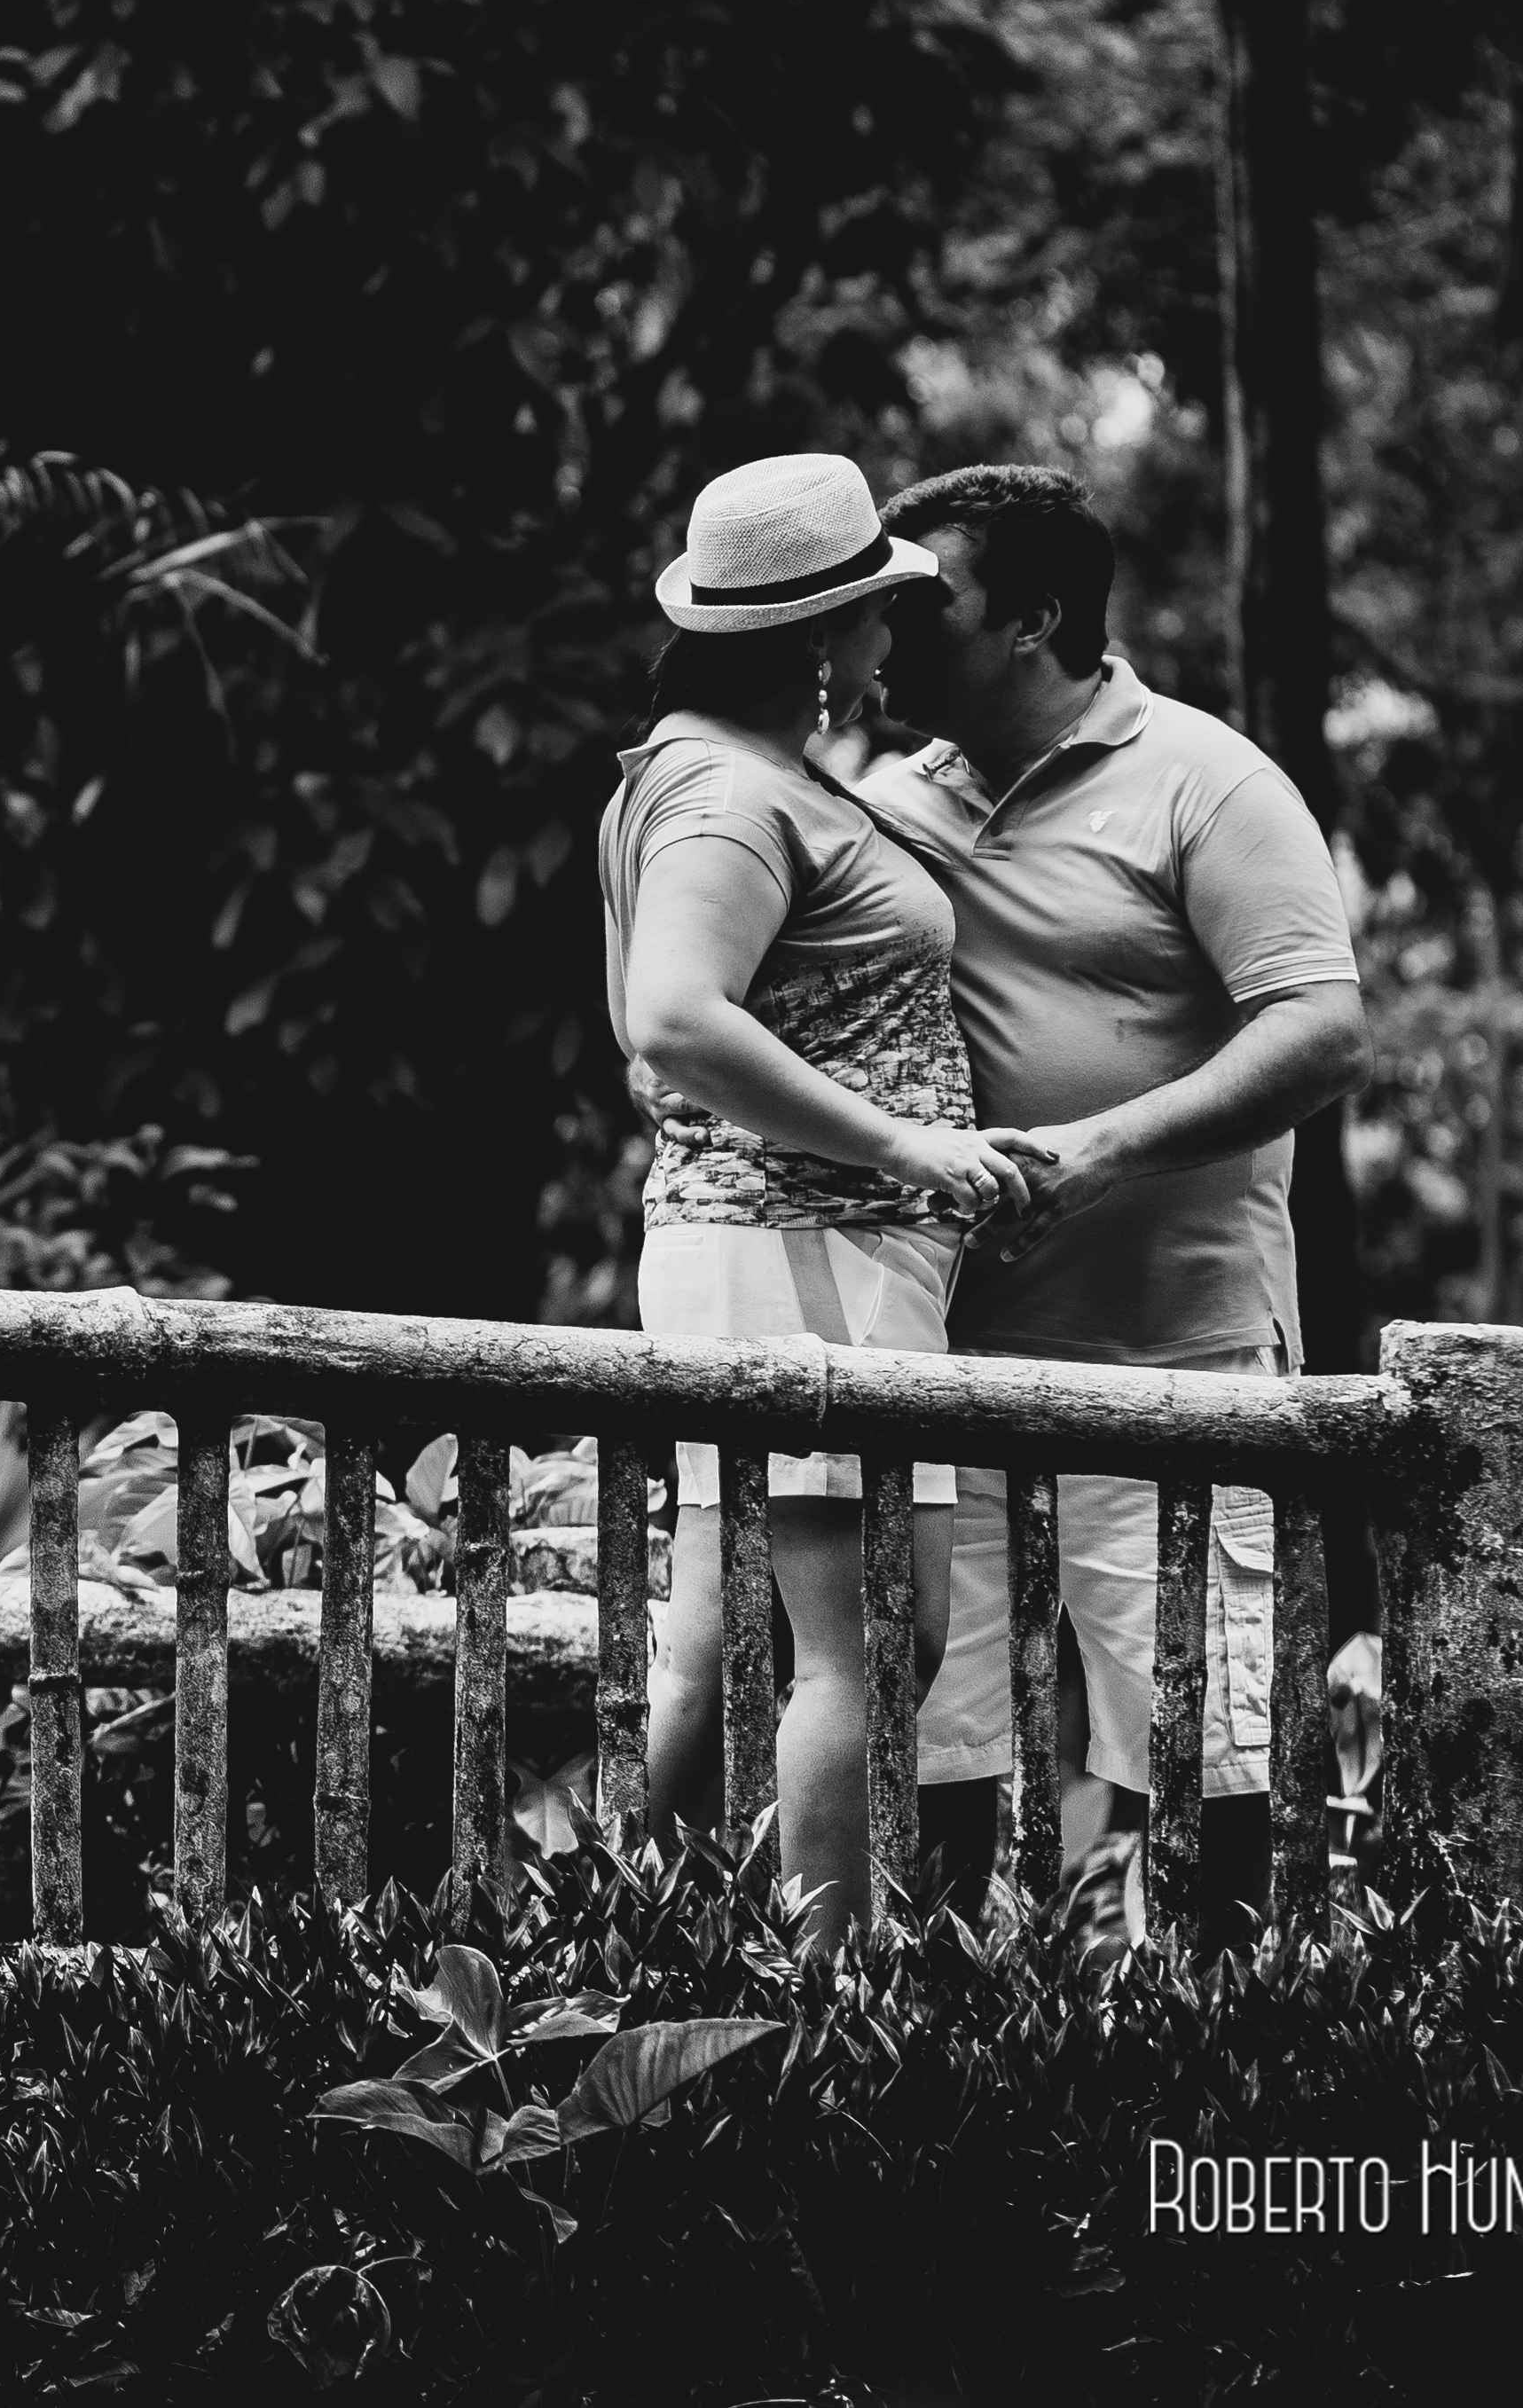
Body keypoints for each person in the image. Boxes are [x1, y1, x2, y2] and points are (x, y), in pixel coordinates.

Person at [857, 464, 1366, 1938]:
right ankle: (939, 2051)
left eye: (922, 602)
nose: (884, 632)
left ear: (1032, 620)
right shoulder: (882, 808)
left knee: (1207, 1767)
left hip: (1173, 1366)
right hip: (939, 1366)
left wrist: (1094, 1152)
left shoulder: (1207, 779)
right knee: (934, 1764)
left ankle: (1219, 2050)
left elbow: (1319, 1032)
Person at [601, 454, 1027, 1943]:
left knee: (727, 1639)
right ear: (818, 638)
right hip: (802, 1253)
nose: (895, 637)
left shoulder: (711, 768)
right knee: (866, 1643)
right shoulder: (726, 788)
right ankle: (821, 2002)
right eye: (879, 612)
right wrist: (906, 1149)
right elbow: (672, 1019)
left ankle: (621, 1955)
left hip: (785, 1249)